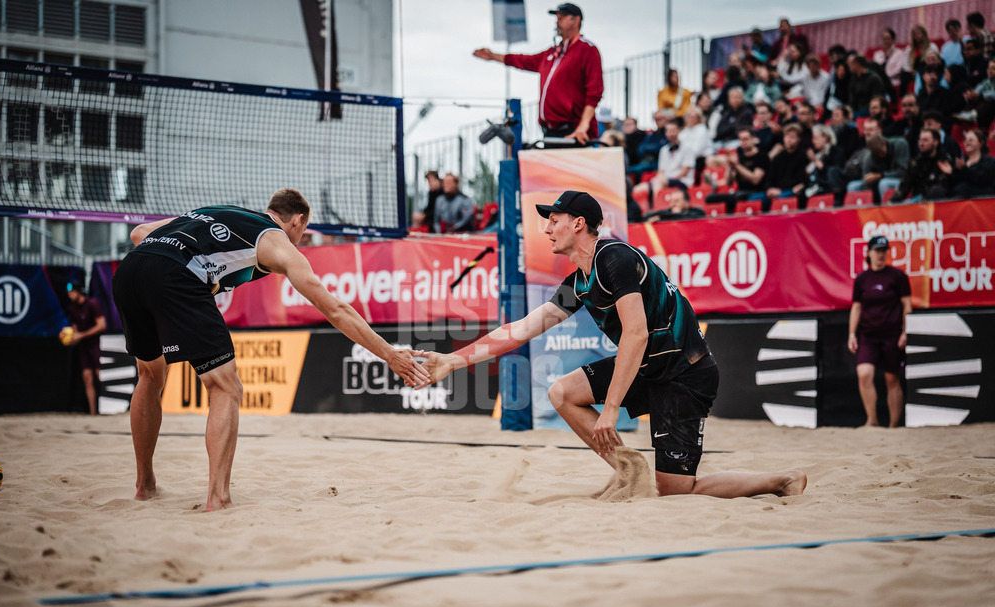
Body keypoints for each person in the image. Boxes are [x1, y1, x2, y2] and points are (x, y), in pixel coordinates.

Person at [420, 190, 806, 498]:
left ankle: (781, 480)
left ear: (578, 223)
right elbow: (521, 330)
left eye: (553, 221)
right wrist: (452, 361)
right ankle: (631, 475)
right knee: (562, 393)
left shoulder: (614, 258)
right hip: (649, 368)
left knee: (677, 491)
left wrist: (612, 410)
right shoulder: (580, 282)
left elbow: (636, 333)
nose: (546, 229)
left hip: (684, 375)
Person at [113, 188, 429, 511]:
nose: (301, 240)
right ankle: (218, 498)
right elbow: (335, 309)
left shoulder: (216, 211)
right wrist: (390, 354)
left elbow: (139, 234)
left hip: (128, 272)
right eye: (303, 233)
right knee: (226, 387)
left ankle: (145, 485)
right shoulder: (276, 240)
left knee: (150, 376)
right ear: (298, 220)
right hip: (176, 277)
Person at [473, 3, 602, 144]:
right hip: (550, 131)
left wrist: (583, 126)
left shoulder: (587, 49)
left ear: (576, 20)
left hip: (574, 132)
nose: (557, 21)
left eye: (562, 17)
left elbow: (594, 92)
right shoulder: (552, 54)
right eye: (557, 17)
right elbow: (523, 60)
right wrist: (493, 56)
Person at [848, 235, 911, 428]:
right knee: (864, 374)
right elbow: (856, 308)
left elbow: (907, 305)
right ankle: (872, 420)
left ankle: (893, 426)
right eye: (877, 251)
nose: (881, 255)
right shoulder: (862, 279)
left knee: (892, 378)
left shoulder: (898, 276)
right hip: (868, 335)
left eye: (884, 251)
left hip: (892, 334)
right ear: (869, 253)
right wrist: (852, 334)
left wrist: (906, 331)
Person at [65, 280, 107, 416]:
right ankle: (93, 412)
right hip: (84, 346)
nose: (69, 296)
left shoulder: (92, 304)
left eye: (72, 292)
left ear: (79, 291)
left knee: (101, 375)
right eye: (68, 293)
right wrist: (67, 336)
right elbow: (74, 330)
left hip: (96, 344)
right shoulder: (73, 309)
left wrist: (81, 335)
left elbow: (102, 325)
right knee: (87, 378)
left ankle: (107, 408)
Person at [890, 128, 951, 202]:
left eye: (925, 140)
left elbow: (944, 189)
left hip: (934, 203)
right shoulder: (914, 163)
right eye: (920, 140)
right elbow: (904, 188)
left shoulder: (944, 162)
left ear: (935, 142)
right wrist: (890, 202)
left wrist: (949, 175)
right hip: (916, 201)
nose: (921, 144)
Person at [847, 132, 910, 202]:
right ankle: (862, 211)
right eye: (877, 153)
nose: (880, 155)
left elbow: (903, 172)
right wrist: (867, 185)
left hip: (902, 180)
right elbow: (865, 180)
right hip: (878, 183)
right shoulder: (869, 158)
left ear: (885, 143)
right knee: (852, 186)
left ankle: (885, 210)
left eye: (881, 152)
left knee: (884, 183)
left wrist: (879, 175)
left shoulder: (900, 144)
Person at [763, 123, 808, 207]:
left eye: (792, 137)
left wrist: (780, 190)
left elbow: (800, 181)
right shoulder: (778, 158)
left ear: (798, 139)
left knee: (781, 198)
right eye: (786, 136)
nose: (789, 140)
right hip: (776, 191)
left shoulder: (803, 156)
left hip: (792, 191)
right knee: (753, 199)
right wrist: (769, 189)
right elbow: (769, 179)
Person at [947, 128, 995, 198]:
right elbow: (952, 185)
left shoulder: (989, 161)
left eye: (971, 140)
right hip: (960, 196)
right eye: (965, 140)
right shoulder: (962, 161)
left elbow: (982, 181)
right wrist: (950, 174)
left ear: (981, 143)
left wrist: (964, 169)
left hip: (981, 198)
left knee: (963, 188)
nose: (967, 142)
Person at [652, 119, 696, 193]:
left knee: (658, 183)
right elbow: (661, 171)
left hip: (682, 181)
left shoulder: (687, 148)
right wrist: (660, 178)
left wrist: (667, 179)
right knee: (640, 188)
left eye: (672, 130)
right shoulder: (664, 150)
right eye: (668, 130)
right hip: (665, 180)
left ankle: (656, 204)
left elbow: (684, 172)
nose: (670, 133)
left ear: (679, 130)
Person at [805, 124, 847, 196]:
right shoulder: (818, 154)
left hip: (831, 189)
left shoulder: (836, 151)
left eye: (816, 138)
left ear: (825, 138)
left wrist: (815, 161)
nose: (813, 141)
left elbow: (834, 172)